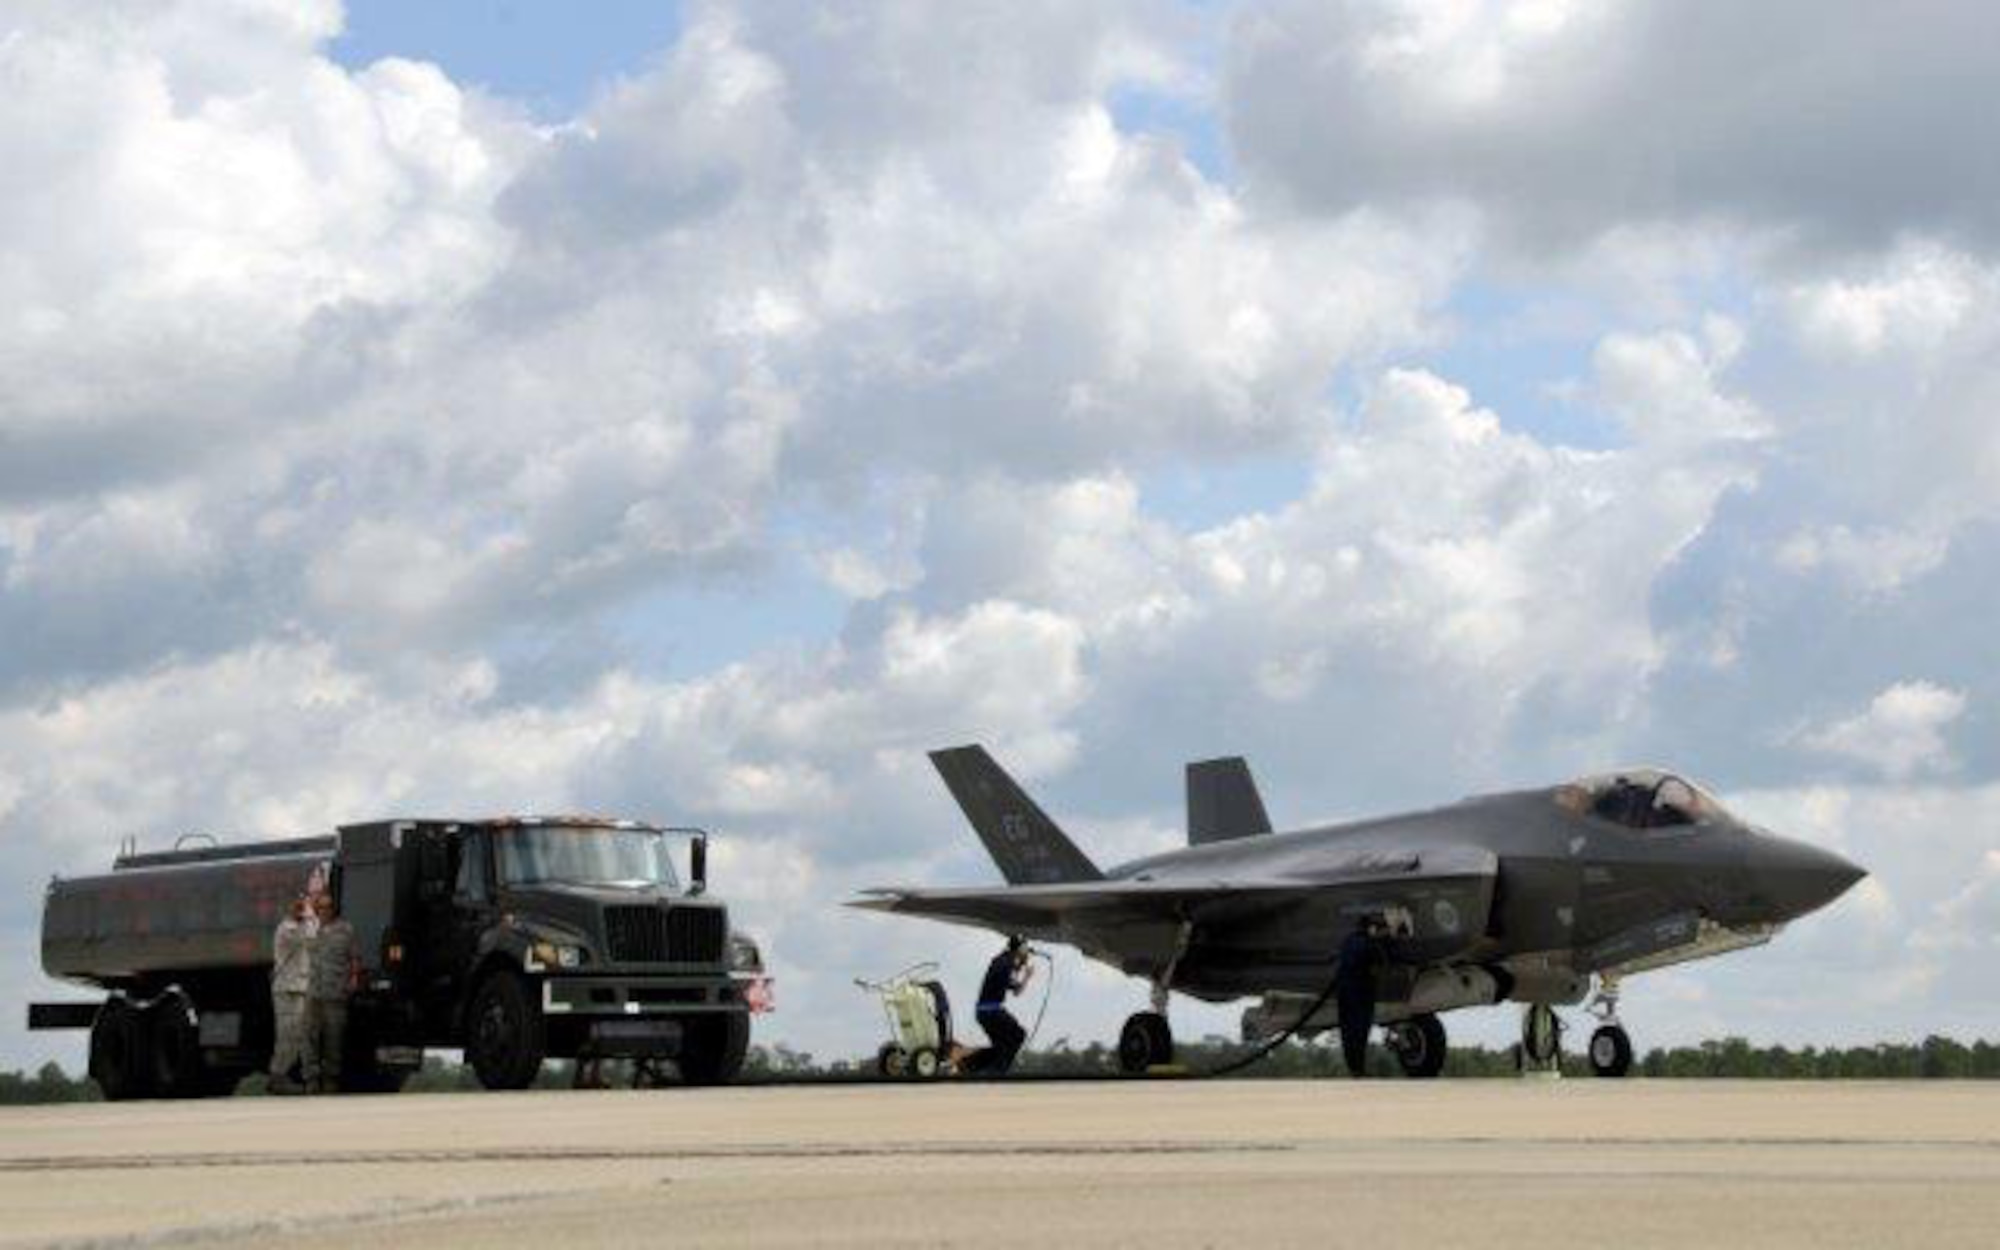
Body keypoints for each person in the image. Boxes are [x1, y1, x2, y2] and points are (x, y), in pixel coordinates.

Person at [302, 893, 358, 1094]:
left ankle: (330, 1080)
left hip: (335, 992)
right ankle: (311, 1080)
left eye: (328, 906)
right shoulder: (309, 929)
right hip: (312, 993)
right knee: (309, 1038)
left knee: (334, 1039)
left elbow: (354, 958)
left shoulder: (346, 930)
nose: (325, 910)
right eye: (321, 907)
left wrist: (353, 979)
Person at [965, 935, 1033, 1076]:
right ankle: (996, 1073)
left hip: (983, 1012)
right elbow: (1017, 991)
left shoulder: (1001, 960)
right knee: (1019, 1035)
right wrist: (1027, 976)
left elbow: (1007, 975)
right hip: (992, 1011)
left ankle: (970, 1065)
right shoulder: (1007, 963)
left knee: (1000, 1046)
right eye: (1025, 948)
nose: (1027, 951)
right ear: (1020, 948)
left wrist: (1019, 965)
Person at [267, 895, 314, 1094]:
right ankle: (277, 1077)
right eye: (298, 908)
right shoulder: (288, 929)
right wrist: (311, 916)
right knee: (287, 1035)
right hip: (288, 989)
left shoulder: (298, 927)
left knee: (297, 1035)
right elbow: (311, 938)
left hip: (297, 988)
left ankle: (283, 1075)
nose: (301, 911)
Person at [1333, 915, 1388, 1078]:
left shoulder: (1348, 941)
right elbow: (1382, 963)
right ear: (1370, 928)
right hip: (1361, 994)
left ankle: (1354, 1069)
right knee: (1360, 1033)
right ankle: (1359, 1070)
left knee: (1348, 1032)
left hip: (1344, 993)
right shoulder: (1370, 944)